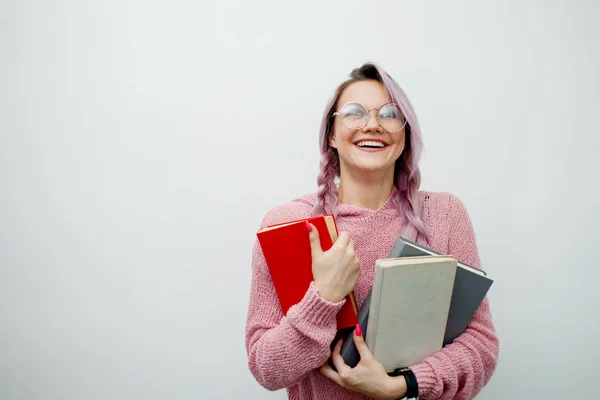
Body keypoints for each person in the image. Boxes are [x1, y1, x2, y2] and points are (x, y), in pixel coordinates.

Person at [244, 62, 499, 400]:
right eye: (354, 112)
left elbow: (481, 345)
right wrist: (324, 296)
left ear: (405, 136)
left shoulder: (445, 215)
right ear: (331, 135)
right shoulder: (289, 223)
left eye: (391, 114)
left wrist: (404, 385)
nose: (373, 124)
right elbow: (267, 368)